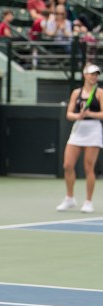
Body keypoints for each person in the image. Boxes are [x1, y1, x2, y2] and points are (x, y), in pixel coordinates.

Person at [56, 63, 103, 213]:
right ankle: (69, 198)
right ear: (84, 75)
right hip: (78, 130)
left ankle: (88, 202)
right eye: (91, 73)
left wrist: (89, 114)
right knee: (67, 165)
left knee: (88, 167)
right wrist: (79, 115)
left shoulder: (100, 93)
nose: (94, 76)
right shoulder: (76, 93)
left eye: (96, 74)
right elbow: (69, 114)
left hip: (93, 130)